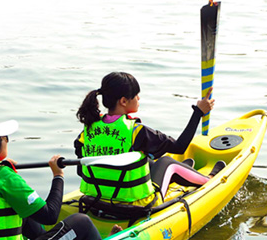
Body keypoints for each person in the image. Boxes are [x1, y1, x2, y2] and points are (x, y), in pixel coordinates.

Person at [74, 72, 220, 208]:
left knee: (145, 161)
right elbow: (179, 147)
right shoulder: (137, 131)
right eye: (136, 95)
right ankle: (208, 180)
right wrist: (198, 113)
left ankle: (184, 171)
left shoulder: (87, 131)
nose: (139, 98)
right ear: (124, 101)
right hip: (136, 205)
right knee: (167, 163)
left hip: (96, 201)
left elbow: (82, 171)